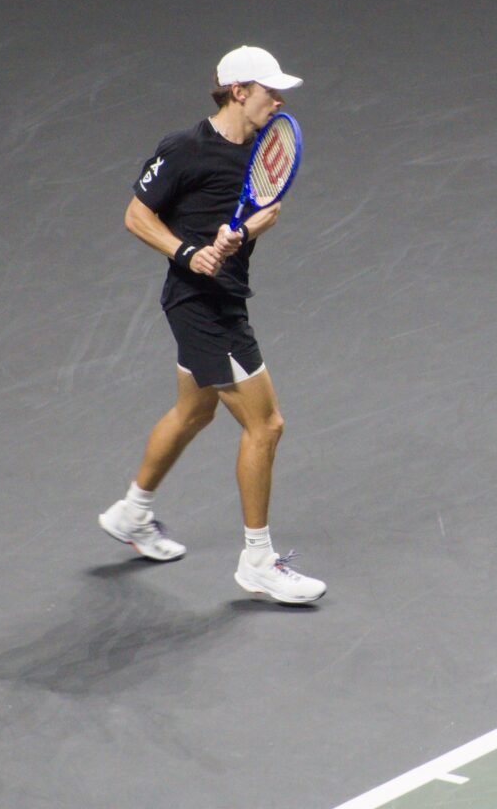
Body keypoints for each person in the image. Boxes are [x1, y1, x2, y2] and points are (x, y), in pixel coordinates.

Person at [98, 45, 326, 605]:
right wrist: (186, 252)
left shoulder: (258, 152)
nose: (279, 99)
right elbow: (136, 215)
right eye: (269, 90)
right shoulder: (183, 149)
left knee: (194, 410)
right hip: (204, 307)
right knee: (266, 425)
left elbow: (250, 216)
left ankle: (132, 513)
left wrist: (244, 234)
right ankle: (257, 560)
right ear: (238, 91)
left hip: (224, 297)